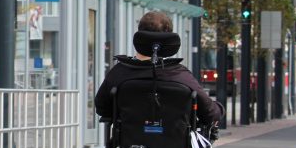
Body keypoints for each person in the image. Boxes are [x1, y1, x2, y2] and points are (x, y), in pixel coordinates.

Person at [94, 11, 223, 131]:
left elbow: (102, 108)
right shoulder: (181, 76)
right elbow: (211, 114)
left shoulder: (119, 72)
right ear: (169, 38)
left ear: (139, 36)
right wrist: (219, 109)